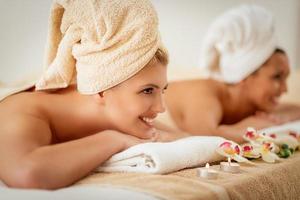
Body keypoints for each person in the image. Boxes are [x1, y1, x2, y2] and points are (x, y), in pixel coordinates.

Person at [0, 0, 170, 189]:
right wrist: (113, 139)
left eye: (162, 90)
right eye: (147, 91)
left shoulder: (118, 114)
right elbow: (27, 174)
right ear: (101, 89)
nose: (161, 108)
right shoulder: (22, 111)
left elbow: (176, 137)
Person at [158, 5, 300, 143]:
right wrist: (246, 128)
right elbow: (205, 141)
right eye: (277, 77)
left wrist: (281, 118)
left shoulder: (254, 103)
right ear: (245, 74)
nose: (285, 89)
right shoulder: (203, 95)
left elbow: (295, 109)